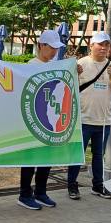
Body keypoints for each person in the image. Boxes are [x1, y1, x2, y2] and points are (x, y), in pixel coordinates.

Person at [18, 30, 82, 210]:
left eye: (56, 48)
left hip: (50, 118)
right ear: (41, 46)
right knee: (30, 159)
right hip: (33, 117)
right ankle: (24, 194)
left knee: (46, 158)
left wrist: (74, 73)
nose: (54, 51)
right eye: (51, 47)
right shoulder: (31, 64)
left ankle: (40, 192)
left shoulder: (57, 66)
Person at [66, 32, 111, 200]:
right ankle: (72, 185)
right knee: (77, 154)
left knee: (98, 155)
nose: (104, 48)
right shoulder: (81, 64)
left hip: (103, 121)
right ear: (91, 45)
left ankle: (98, 185)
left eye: (107, 45)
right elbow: (68, 88)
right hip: (83, 119)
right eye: (100, 44)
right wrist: (75, 73)